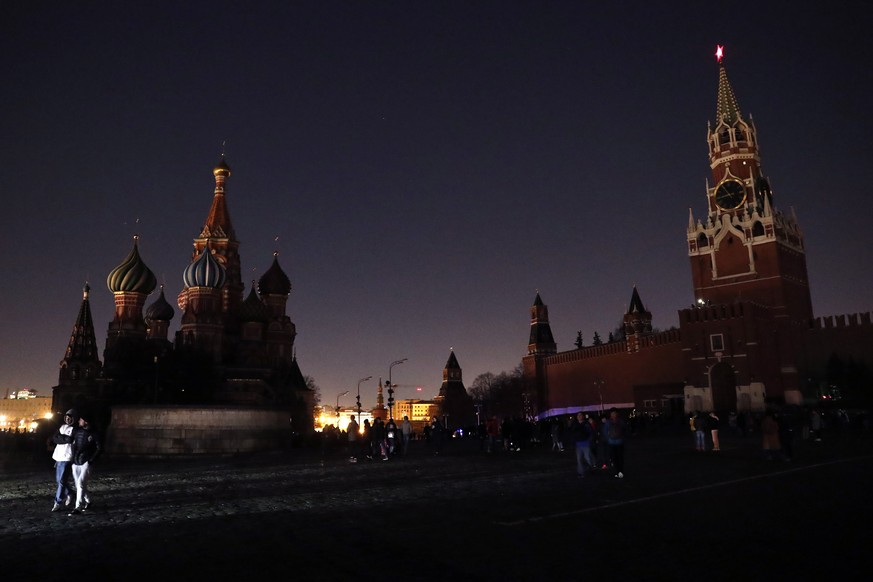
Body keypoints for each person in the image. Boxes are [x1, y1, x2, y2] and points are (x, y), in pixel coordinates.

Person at [68, 411, 101, 515]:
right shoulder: (77, 431)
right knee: (79, 485)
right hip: (76, 461)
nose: (79, 421)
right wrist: (73, 458)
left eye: (81, 419)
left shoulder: (94, 433)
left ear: (85, 421)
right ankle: (89, 501)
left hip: (86, 461)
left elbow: (99, 448)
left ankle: (78, 506)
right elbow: (73, 444)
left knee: (81, 483)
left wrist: (91, 460)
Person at [50, 409, 77, 512]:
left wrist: (62, 438)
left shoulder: (75, 429)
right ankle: (70, 493)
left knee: (62, 480)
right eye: (66, 417)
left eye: (69, 417)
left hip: (67, 457)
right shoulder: (61, 427)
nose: (67, 419)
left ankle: (58, 502)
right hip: (58, 456)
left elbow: (69, 439)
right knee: (59, 480)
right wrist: (64, 438)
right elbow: (55, 438)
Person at [604, 408, 627, 478]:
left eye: (615, 413)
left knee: (619, 458)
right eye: (612, 413)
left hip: (618, 442)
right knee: (615, 458)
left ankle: (620, 471)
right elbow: (605, 432)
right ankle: (618, 471)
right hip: (614, 442)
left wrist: (609, 439)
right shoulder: (610, 422)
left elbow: (625, 430)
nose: (614, 415)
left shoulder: (619, 421)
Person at [570, 412, 594, 477]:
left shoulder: (586, 424)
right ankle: (581, 472)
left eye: (581, 415)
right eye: (578, 415)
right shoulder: (575, 424)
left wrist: (589, 441)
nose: (579, 416)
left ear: (583, 416)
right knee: (579, 459)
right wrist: (573, 442)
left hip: (586, 443)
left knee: (587, 458)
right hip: (578, 444)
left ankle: (590, 470)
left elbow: (591, 433)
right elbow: (572, 433)